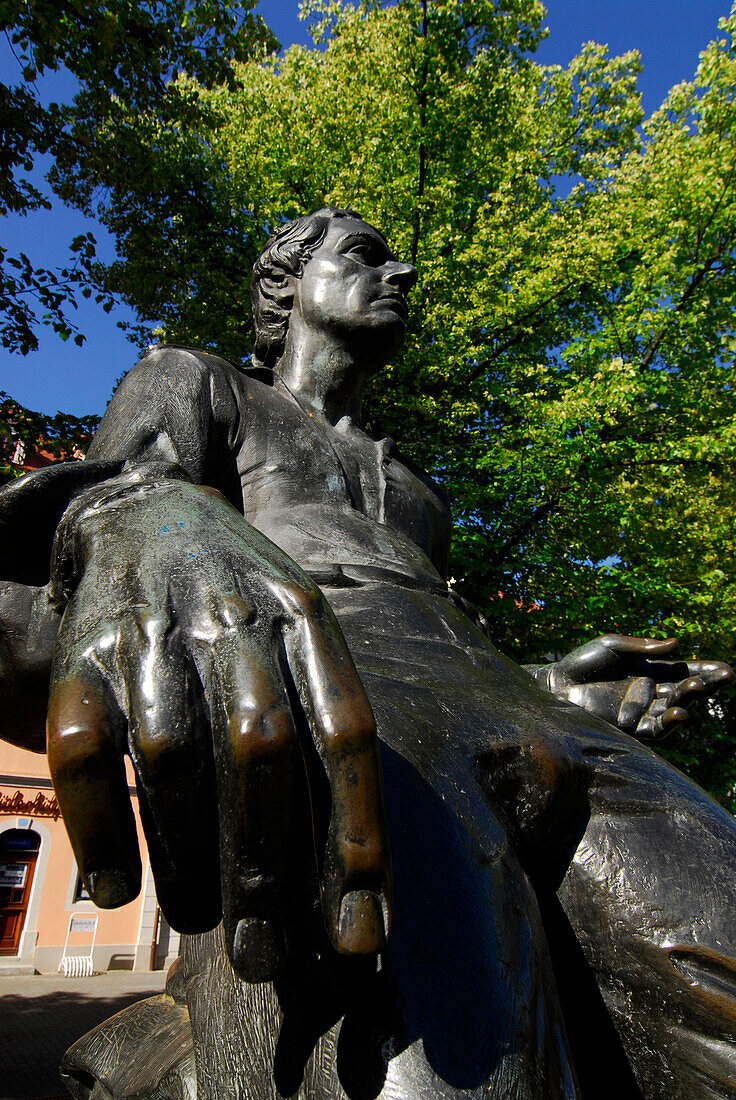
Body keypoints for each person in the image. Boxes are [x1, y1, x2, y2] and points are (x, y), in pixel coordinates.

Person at [1, 208, 735, 1100]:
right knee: (459, 1056)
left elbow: (449, 637)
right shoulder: (196, 382)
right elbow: (122, 508)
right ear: (288, 286)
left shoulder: (420, 493)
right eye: (365, 255)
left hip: (517, 708)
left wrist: (559, 687)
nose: (403, 273)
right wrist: (142, 521)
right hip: (347, 691)